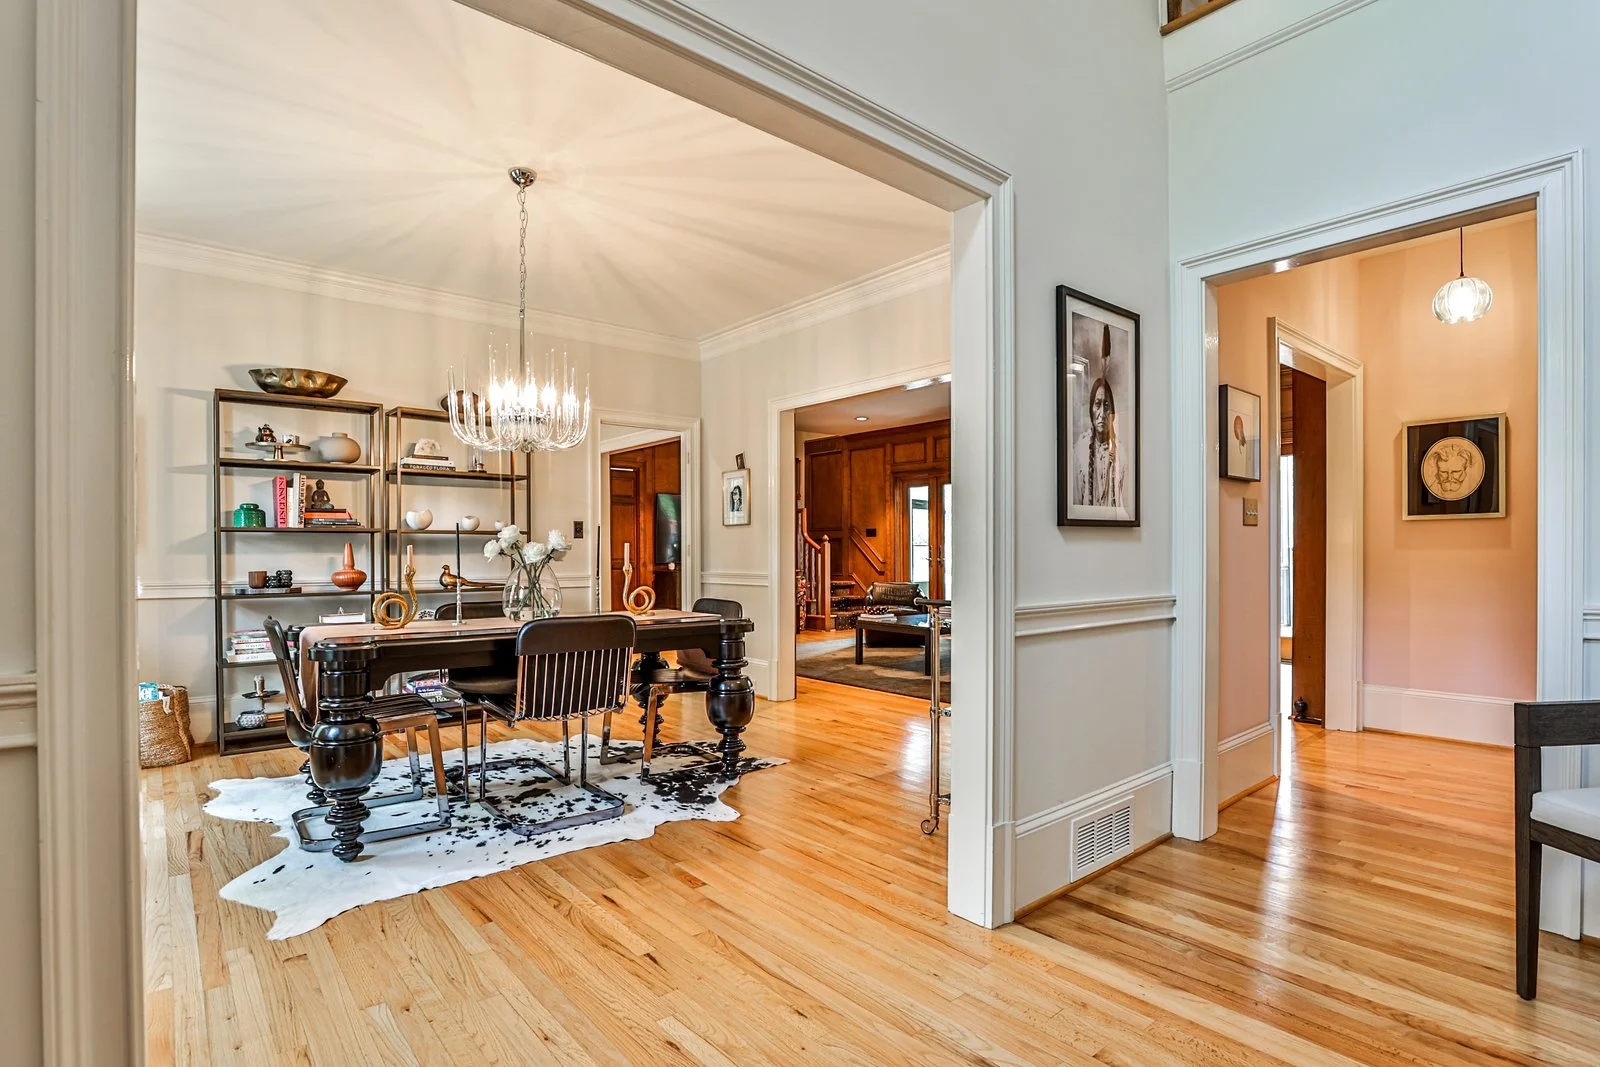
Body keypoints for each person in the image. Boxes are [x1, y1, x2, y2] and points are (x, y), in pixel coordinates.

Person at [1072, 326, 1124, 507]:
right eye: (1097, 404)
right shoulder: (1079, 451)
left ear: (1113, 414)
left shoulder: (1121, 454)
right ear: (1091, 411)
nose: (1102, 413)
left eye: (1107, 406)